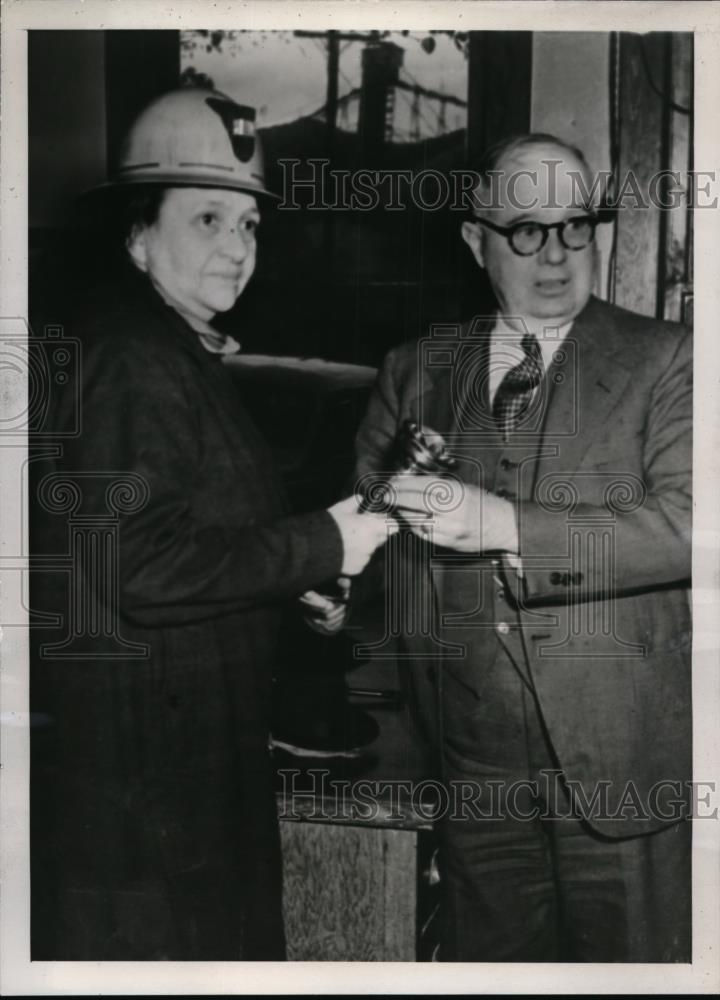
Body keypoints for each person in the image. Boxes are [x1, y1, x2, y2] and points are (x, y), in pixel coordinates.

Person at [29, 87, 392, 961]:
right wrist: (326, 542)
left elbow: (184, 539)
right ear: (136, 232)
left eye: (250, 226)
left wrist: (294, 584)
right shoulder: (132, 355)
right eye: (207, 221)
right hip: (151, 789)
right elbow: (141, 568)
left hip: (179, 762)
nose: (237, 249)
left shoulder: (164, 346)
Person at [310, 133, 692, 962]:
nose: (555, 254)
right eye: (525, 230)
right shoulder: (413, 372)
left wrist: (507, 526)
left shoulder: (670, 359)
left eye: (575, 226)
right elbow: (379, 573)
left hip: (622, 774)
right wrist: (329, 596)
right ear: (474, 238)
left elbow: (695, 527)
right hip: (472, 782)